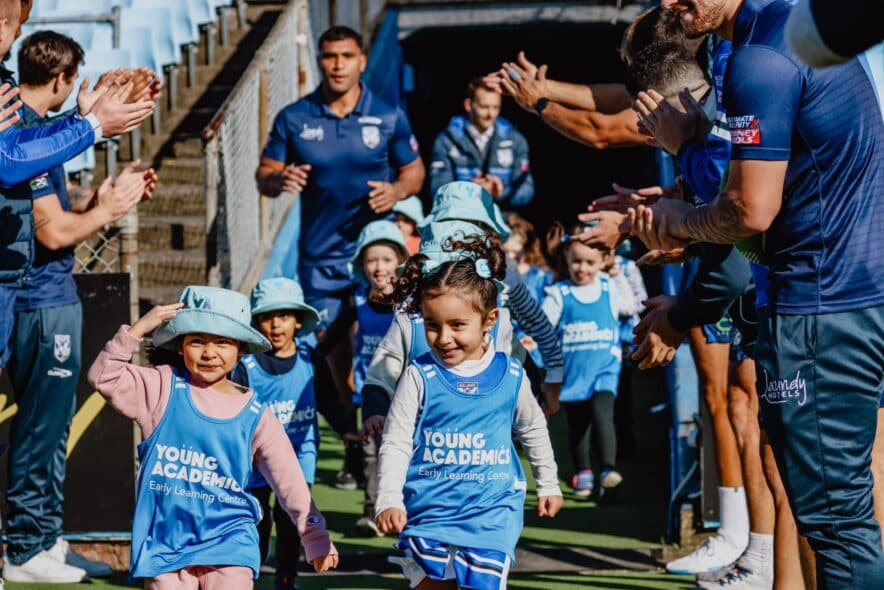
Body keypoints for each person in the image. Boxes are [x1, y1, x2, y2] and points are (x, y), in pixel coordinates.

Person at [629, 0, 884, 585]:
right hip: (856, 298)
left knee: (837, 529)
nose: (670, 3)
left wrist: (678, 210)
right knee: (853, 514)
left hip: (820, 310)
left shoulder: (759, 57)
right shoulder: (783, 31)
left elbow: (750, 210)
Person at [1, 31, 159, 584]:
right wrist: (107, 209)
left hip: (45, 299)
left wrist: (110, 196)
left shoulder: (43, 134)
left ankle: (42, 538)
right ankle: (26, 546)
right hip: (38, 303)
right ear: (65, 78)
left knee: (49, 431)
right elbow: (57, 232)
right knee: (41, 433)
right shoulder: (25, 136)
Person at [87, 286, 339, 588]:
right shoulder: (160, 388)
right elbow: (103, 376)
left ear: (241, 350)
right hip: (165, 546)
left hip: (230, 543)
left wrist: (314, 534)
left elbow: (290, 481)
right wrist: (139, 328)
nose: (209, 353)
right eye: (197, 341)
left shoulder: (256, 414)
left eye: (222, 342)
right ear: (180, 346)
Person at [373, 235, 563, 589]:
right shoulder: (419, 375)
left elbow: (533, 429)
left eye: (457, 325)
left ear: (489, 319)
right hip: (429, 510)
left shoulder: (510, 375)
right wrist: (388, 499)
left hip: (492, 512)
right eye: (432, 324)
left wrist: (548, 482)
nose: (443, 337)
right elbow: (397, 440)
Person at [255, 25, 425, 401]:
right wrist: (280, 178)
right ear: (319, 62)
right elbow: (263, 175)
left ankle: (393, 430)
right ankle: (351, 434)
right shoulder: (295, 117)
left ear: (361, 61)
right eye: (330, 57)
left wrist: (396, 190)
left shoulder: (387, 115)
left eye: (346, 56)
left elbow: (415, 172)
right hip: (321, 257)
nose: (338, 65)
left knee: (388, 345)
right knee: (334, 350)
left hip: (377, 256)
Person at [0, 0, 159, 373]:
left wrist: (84, 119)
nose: (19, 33)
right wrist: (91, 127)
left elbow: (21, 147)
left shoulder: (13, 99)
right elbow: (10, 163)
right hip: (41, 299)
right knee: (44, 433)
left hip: (17, 282)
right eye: (14, 24)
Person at [228, 278, 355, 590]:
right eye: (268, 316)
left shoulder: (312, 361)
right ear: (256, 321)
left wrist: (346, 430)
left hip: (299, 454)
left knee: (291, 520)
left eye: (284, 316)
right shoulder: (245, 365)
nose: (276, 325)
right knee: (255, 520)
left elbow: (327, 400)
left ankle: (286, 576)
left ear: (298, 321)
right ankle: (249, 575)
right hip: (254, 459)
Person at [542, 227, 636, 497]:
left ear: (603, 261)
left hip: (605, 367)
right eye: (576, 261)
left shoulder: (608, 286)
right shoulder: (560, 292)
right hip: (573, 371)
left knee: (602, 412)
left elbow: (629, 307)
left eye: (589, 262)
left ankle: (608, 468)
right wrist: (533, 341)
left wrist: (618, 275)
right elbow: (544, 324)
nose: (582, 268)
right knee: (578, 425)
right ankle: (583, 471)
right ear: (567, 260)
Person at [346, 221, 409, 535]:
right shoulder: (356, 302)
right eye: (372, 260)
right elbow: (334, 342)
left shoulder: (409, 304)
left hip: (405, 392)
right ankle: (373, 509)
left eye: (386, 259)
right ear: (361, 265)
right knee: (371, 452)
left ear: (400, 260)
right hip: (369, 393)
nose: (380, 267)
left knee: (404, 450)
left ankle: (405, 506)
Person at [429, 77, 534, 210]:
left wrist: (500, 192)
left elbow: (527, 190)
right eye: (484, 107)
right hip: (461, 218)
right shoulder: (446, 140)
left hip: (505, 220)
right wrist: (470, 191)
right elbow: (437, 190)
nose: (491, 114)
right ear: (468, 105)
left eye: (496, 107)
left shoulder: (515, 140)